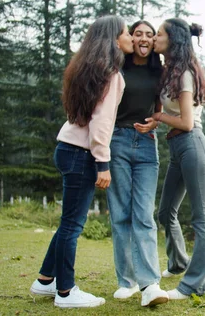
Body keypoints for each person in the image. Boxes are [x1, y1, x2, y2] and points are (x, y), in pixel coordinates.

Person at [29, 15, 133, 308]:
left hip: (67, 148)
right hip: (82, 154)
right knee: (73, 225)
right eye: (126, 32)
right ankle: (66, 293)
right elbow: (102, 123)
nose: (129, 37)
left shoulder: (86, 68)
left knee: (67, 223)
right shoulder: (112, 74)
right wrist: (103, 162)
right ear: (115, 38)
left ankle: (45, 281)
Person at [150, 18, 205, 300]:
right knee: (165, 212)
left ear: (172, 39)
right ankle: (178, 263)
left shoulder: (185, 73)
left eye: (159, 34)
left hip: (192, 145)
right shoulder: (169, 71)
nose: (154, 38)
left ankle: (194, 286)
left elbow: (187, 122)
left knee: (202, 218)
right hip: (178, 148)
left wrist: (157, 117)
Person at [106, 20, 169, 307]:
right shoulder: (117, 67)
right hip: (116, 141)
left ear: (154, 40)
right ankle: (126, 280)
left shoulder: (160, 71)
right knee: (121, 214)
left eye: (149, 35)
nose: (143, 39)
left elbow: (160, 108)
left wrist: (154, 123)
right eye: (138, 34)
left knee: (143, 214)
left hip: (146, 146)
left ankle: (150, 284)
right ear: (131, 38)